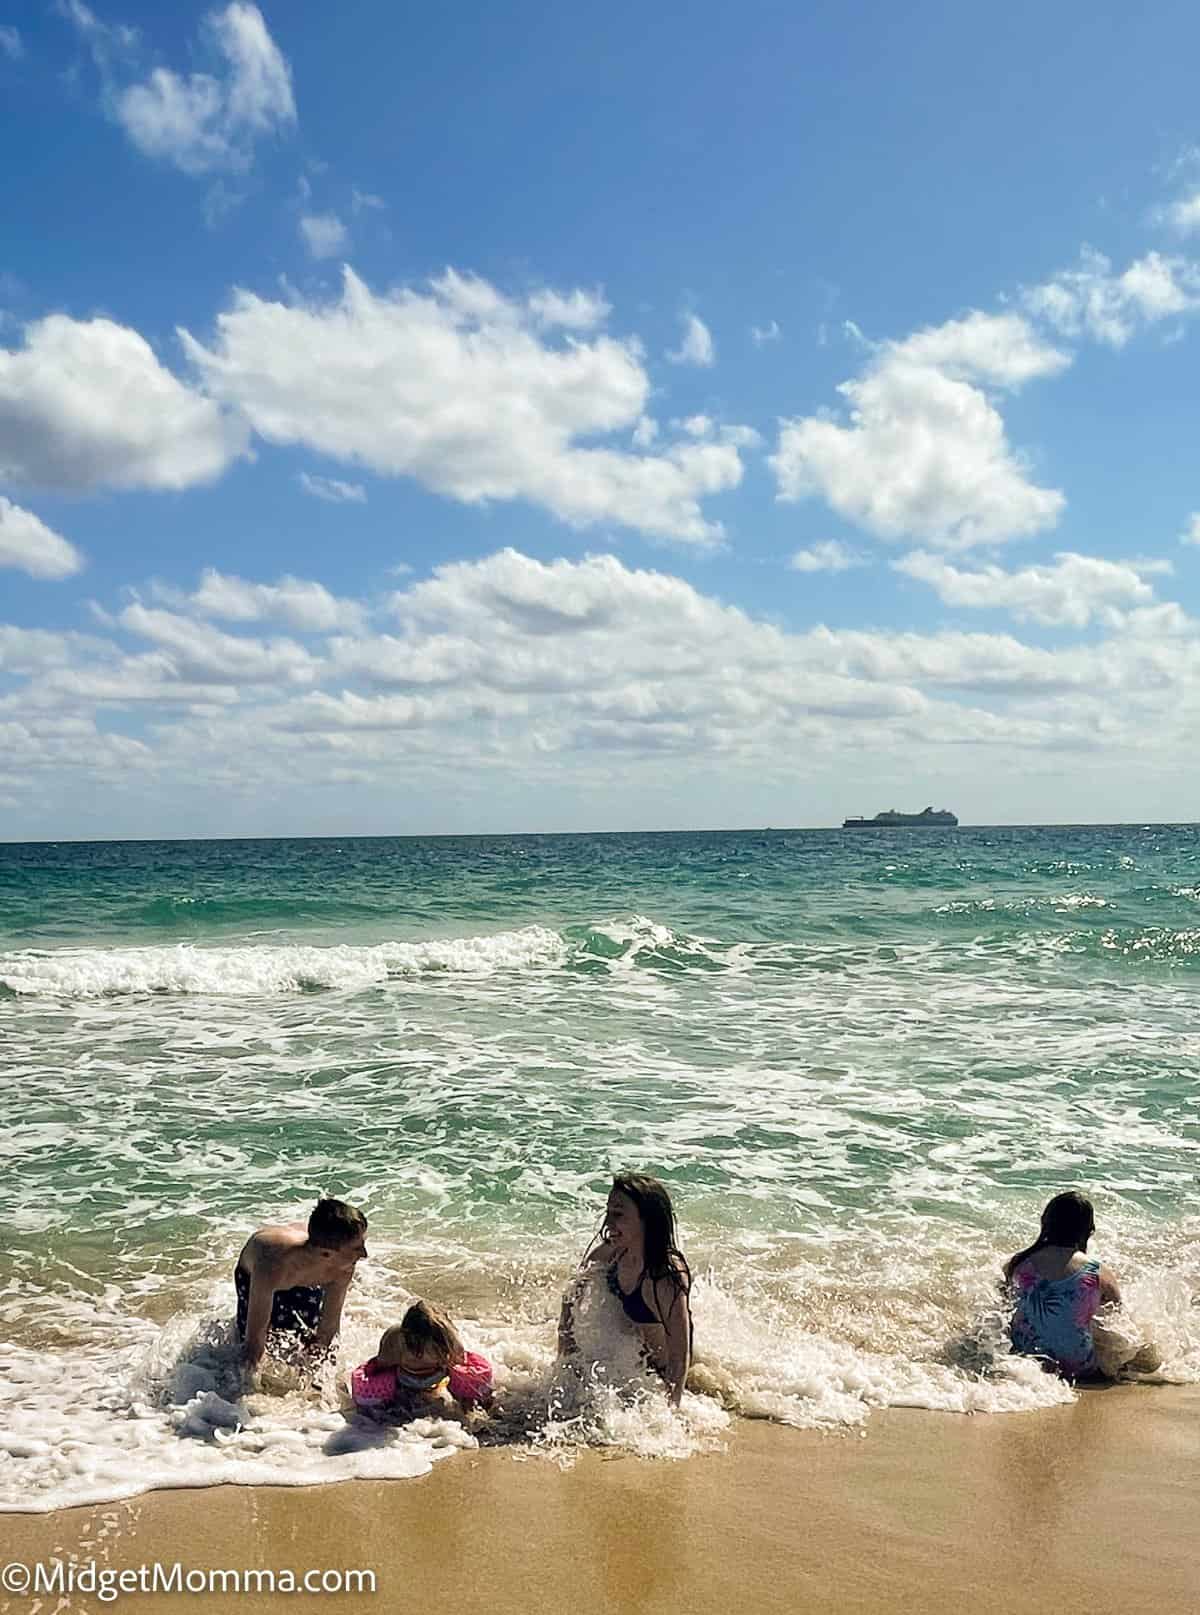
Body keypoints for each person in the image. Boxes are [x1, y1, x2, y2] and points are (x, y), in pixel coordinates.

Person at [560, 1172, 693, 1407]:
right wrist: (567, 1349)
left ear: (647, 1220)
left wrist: (672, 1412)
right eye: (608, 1212)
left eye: (618, 1214)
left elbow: (679, 1355)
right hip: (625, 1363)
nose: (608, 1222)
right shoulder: (611, 1253)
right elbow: (572, 1292)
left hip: (658, 1374)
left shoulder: (665, 1276)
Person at [1003, 1191, 1156, 1380]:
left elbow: (1004, 1312)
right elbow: (1119, 1323)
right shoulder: (1098, 1273)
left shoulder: (1018, 1264)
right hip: (1078, 1370)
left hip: (1023, 1365)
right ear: (1089, 1230)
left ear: (1045, 1222)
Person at [234, 1197, 368, 1369]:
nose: (364, 1254)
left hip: (309, 1272)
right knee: (252, 1343)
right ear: (326, 1253)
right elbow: (254, 1344)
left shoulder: (343, 1266)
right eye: (357, 1248)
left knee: (305, 1341)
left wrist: (321, 1383)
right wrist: (246, 1389)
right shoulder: (272, 1264)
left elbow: (328, 1331)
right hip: (255, 1275)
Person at [350, 1300, 493, 1415]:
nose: (421, 1356)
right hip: (404, 1378)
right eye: (416, 1351)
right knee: (391, 1407)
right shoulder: (395, 1340)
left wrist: (470, 1397)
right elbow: (381, 1366)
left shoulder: (448, 1340)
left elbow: (461, 1361)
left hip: (439, 1374)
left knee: (467, 1395)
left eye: (431, 1349)